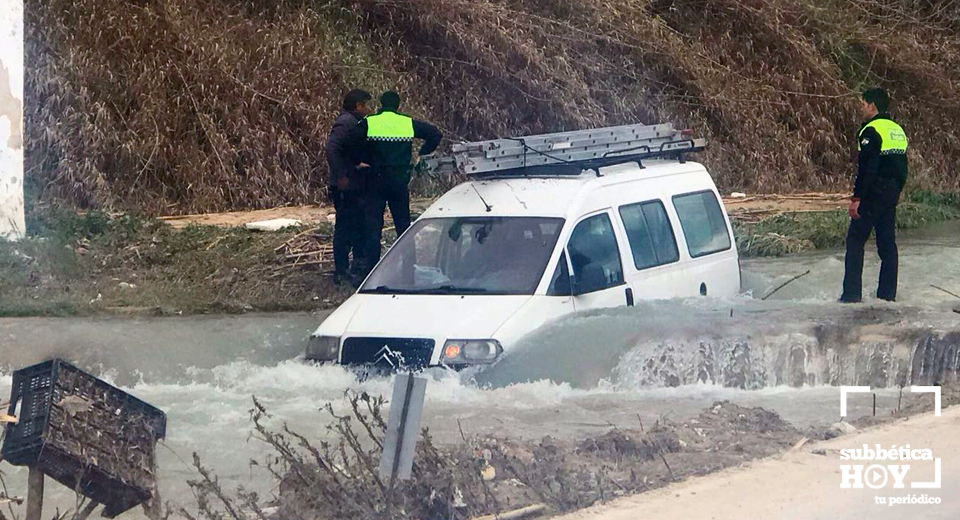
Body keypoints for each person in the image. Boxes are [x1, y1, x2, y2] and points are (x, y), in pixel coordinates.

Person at [351, 91, 442, 269]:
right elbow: (435, 134)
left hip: (375, 180)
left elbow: (349, 141)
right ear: (398, 105)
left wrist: (359, 160)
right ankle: (409, 269)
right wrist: (422, 154)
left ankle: (371, 271)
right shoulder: (407, 122)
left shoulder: (369, 122)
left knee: (373, 227)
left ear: (381, 104)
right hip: (399, 181)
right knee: (403, 226)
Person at [839, 88, 909, 303]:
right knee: (887, 244)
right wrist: (896, 192)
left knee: (855, 240)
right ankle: (887, 296)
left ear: (872, 105)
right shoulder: (897, 130)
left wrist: (857, 198)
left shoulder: (871, 130)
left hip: (873, 193)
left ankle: (851, 296)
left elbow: (868, 168)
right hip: (891, 194)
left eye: (863, 104)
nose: (861, 108)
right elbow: (903, 167)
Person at [326, 89, 373, 285]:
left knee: (358, 225)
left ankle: (355, 267)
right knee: (345, 228)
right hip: (346, 186)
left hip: (354, 184)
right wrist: (342, 175)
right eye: (365, 105)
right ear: (358, 106)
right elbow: (333, 148)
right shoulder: (346, 123)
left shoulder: (354, 122)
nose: (368, 109)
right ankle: (341, 271)